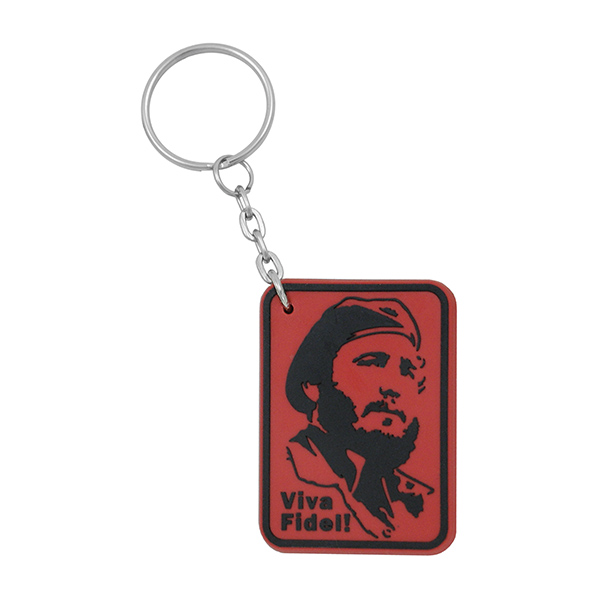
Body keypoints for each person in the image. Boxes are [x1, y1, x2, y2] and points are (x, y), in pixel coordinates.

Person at [285, 297, 434, 539]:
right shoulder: (289, 466)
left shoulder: (418, 499)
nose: (394, 387)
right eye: (372, 363)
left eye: (407, 371)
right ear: (312, 384)